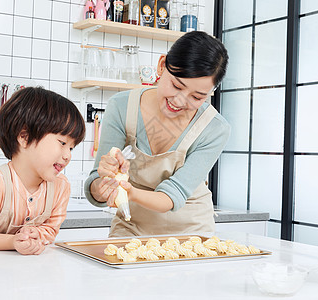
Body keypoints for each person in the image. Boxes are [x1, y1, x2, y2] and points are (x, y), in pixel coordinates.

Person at [84, 31, 230, 237]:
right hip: (131, 226)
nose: (180, 101)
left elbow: (174, 194)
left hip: (192, 231)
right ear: (162, 65)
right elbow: (95, 189)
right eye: (177, 86)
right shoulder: (122, 107)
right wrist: (105, 183)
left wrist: (130, 192)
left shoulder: (214, 128)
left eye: (197, 97)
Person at [0, 87, 85, 254]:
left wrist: (36, 234)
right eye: (62, 143)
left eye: (72, 147)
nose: (67, 155)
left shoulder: (60, 187)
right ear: (24, 138)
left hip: (8, 273)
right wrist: (13, 241)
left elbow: (50, 229)